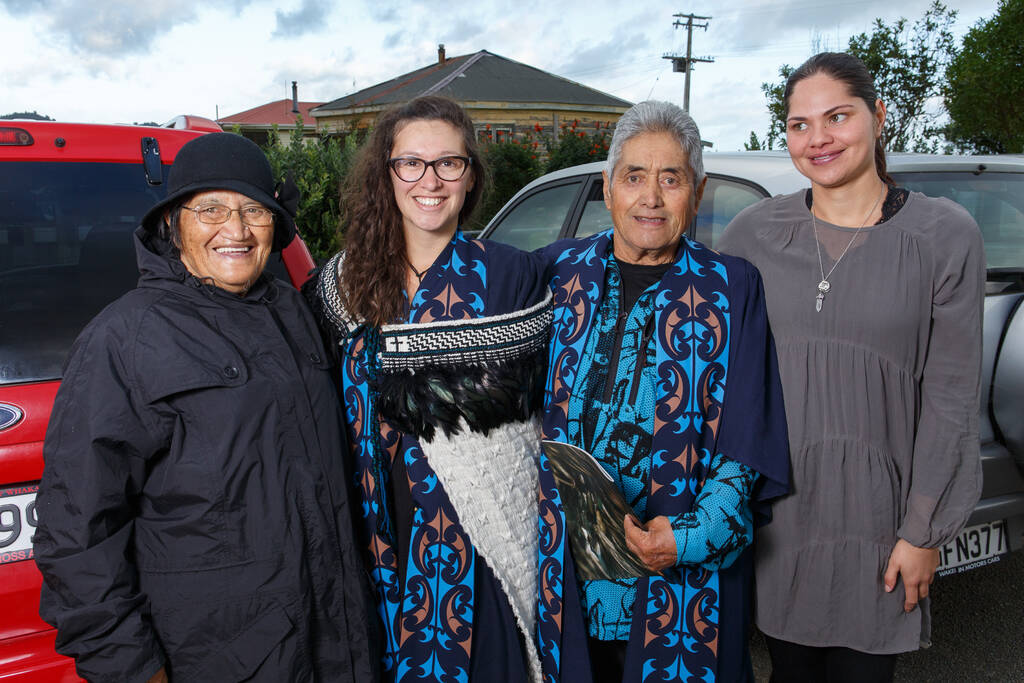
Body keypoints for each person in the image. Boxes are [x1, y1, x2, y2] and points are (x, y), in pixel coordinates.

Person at [33, 133, 377, 683]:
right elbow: (78, 529)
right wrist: (129, 667)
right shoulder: (125, 339)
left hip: (335, 641)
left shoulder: (294, 312)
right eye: (211, 209)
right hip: (217, 657)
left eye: (252, 211)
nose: (235, 230)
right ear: (173, 223)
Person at [718, 52, 984, 682]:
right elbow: (712, 364)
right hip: (781, 521)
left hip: (881, 521)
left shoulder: (944, 234)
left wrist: (923, 533)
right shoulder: (753, 233)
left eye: (837, 116)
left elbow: (950, 398)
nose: (818, 139)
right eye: (799, 124)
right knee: (788, 670)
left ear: (879, 116)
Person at [536, 100, 790, 683]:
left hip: (677, 576)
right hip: (565, 581)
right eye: (634, 177)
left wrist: (688, 537)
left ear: (695, 194)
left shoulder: (732, 288)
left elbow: (747, 436)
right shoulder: (555, 272)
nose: (651, 197)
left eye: (671, 178)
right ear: (607, 188)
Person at [305, 95, 550, 683]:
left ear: (471, 177)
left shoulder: (513, 275)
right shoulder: (340, 283)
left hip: (477, 531)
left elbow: (545, 409)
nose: (430, 181)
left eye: (449, 163)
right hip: (377, 532)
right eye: (410, 163)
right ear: (386, 174)